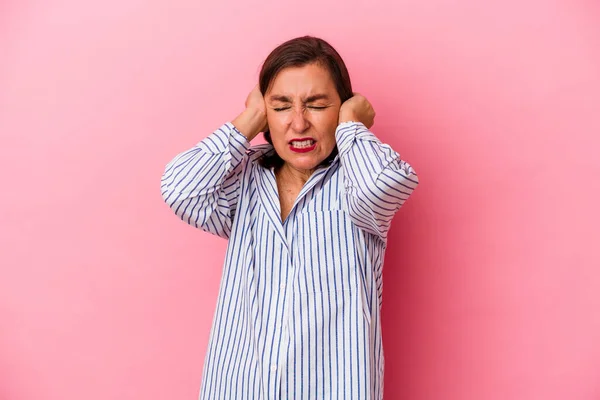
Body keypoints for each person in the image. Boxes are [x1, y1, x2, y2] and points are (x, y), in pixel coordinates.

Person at [161, 36, 419, 399]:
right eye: (281, 107)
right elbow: (180, 188)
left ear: (341, 107)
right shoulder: (244, 181)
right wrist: (248, 120)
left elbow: (384, 184)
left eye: (316, 104)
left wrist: (351, 126)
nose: (298, 124)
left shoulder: (358, 187)